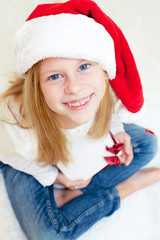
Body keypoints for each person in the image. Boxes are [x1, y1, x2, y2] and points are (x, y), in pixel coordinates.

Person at [0, 0, 159, 239]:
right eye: (55, 76)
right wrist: (58, 178)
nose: (74, 87)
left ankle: (73, 192)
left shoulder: (102, 90)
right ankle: (117, 189)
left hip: (75, 151)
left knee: (147, 144)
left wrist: (118, 132)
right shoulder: (15, 118)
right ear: (37, 86)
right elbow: (9, 154)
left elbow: (112, 112)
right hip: (26, 163)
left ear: (104, 72)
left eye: (84, 66)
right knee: (48, 235)